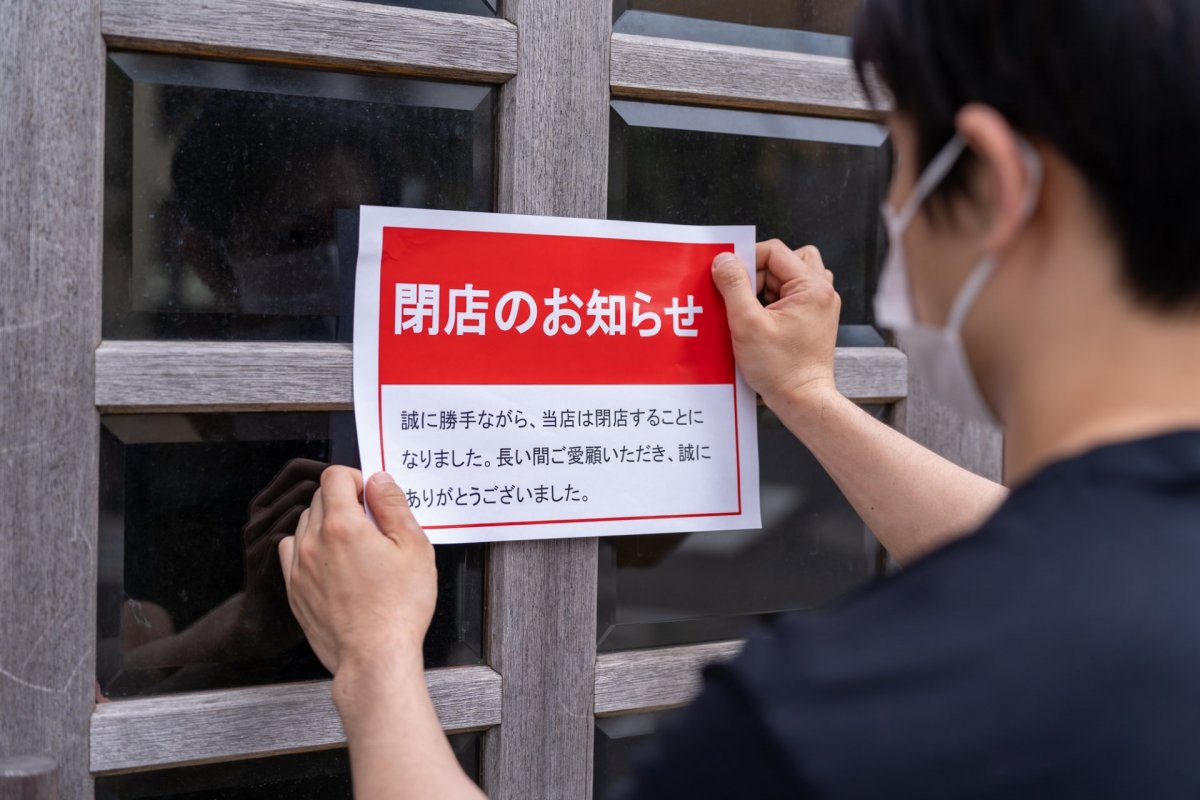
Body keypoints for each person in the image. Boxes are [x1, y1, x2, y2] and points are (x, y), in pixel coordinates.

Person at [278, 1, 1200, 797]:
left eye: (903, 173)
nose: (897, 231)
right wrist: (806, 393)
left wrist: (375, 659)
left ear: (1000, 186)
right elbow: (1053, 563)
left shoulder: (832, 718)